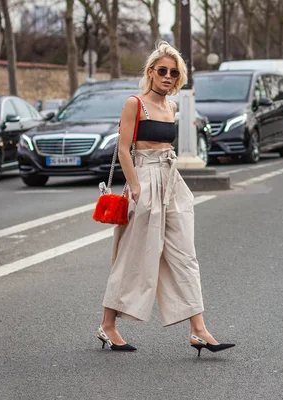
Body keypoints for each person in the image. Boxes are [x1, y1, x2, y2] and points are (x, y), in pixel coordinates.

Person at [97, 41, 235, 356]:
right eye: (163, 71)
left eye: (174, 72)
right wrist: (134, 186)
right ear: (150, 72)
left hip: (172, 180)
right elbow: (122, 149)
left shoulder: (172, 107)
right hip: (144, 179)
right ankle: (108, 324)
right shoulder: (135, 103)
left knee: (185, 255)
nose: (168, 77)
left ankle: (198, 330)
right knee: (135, 256)